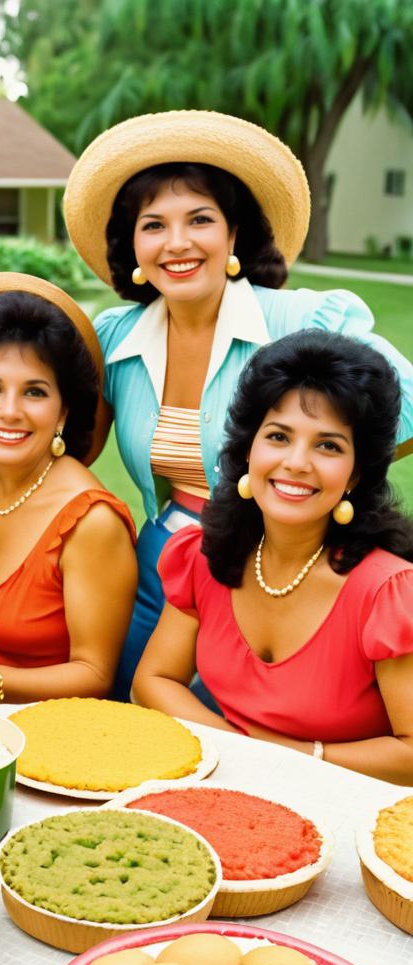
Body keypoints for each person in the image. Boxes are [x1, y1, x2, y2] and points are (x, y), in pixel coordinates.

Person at [63, 109, 413, 700]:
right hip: (162, 558)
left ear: (233, 235)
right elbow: (70, 448)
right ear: (134, 247)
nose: (177, 243)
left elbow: (403, 408)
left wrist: (327, 485)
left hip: (273, 567)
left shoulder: (301, 321)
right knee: (134, 709)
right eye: (154, 226)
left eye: (200, 219)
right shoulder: (114, 336)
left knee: (240, 736)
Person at [134, 331, 413, 785]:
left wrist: (295, 756)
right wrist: (235, 751)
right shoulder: (207, 555)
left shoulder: (389, 594)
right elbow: (153, 680)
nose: (297, 462)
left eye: (328, 445)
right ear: (249, 450)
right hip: (223, 787)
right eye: (279, 436)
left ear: (355, 474)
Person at [0, 273, 137, 707]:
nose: (9, 410)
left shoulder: (92, 523)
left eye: (34, 392)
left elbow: (94, 674)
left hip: (50, 730)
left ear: (63, 412)